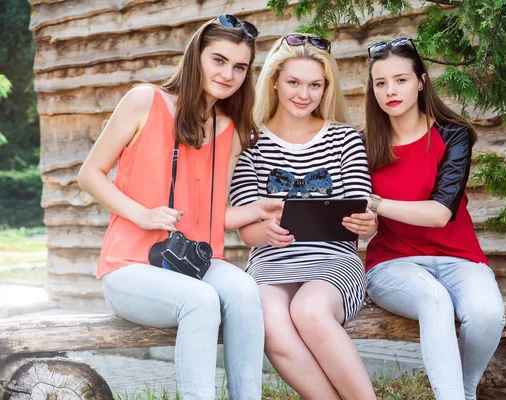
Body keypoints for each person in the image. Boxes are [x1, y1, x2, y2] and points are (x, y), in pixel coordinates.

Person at [78, 15, 282, 400]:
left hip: (194, 264)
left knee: (243, 290)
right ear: (196, 57)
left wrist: (260, 209)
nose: (228, 74)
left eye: (240, 67)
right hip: (130, 267)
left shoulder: (230, 129)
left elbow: (209, 216)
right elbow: (90, 174)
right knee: (201, 300)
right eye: (218, 60)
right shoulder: (144, 101)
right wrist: (141, 214)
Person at [352, 37, 506, 400]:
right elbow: (358, 216)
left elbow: (440, 213)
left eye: (401, 80)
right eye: (380, 82)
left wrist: (375, 204)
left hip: (460, 259)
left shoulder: (453, 136)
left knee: (486, 313)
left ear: (421, 81)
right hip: (393, 264)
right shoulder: (363, 145)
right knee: (435, 299)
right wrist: (366, 219)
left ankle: (464, 392)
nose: (390, 90)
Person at [229, 33, 377, 400]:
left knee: (309, 310)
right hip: (271, 262)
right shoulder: (249, 143)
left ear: (326, 88)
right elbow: (248, 232)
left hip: (333, 260)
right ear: (275, 80)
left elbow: (359, 208)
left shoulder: (344, 139)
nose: (303, 94)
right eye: (293, 82)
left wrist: (369, 223)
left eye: (315, 85)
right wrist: (269, 233)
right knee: (271, 321)